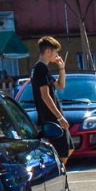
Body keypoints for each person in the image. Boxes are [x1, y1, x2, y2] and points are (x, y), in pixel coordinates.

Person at [29, 36, 70, 164]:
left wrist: (61, 68)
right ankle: (57, 172)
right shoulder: (40, 68)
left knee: (68, 148)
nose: (57, 55)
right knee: (62, 153)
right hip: (50, 117)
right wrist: (59, 117)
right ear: (48, 52)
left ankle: (59, 170)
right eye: (55, 52)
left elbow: (60, 86)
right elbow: (45, 96)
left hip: (53, 116)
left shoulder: (43, 69)